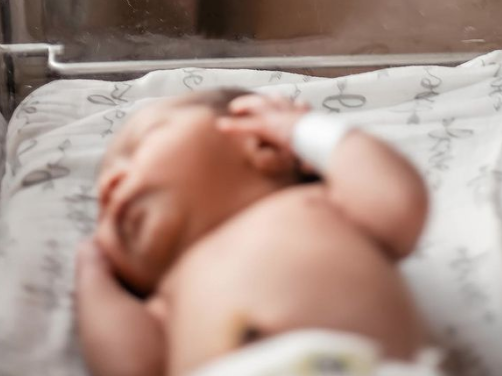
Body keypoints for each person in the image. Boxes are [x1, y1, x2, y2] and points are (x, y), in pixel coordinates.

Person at [75, 89, 431, 376]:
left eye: (137, 146)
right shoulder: (170, 294)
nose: (108, 186)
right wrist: (92, 272)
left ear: (263, 143)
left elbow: (398, 203)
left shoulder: (320, 204)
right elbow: (133, 367)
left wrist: (305, 131)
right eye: (100, 213)